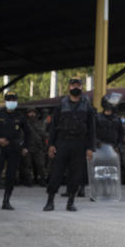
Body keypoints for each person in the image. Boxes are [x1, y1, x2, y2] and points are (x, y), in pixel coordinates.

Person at [45, 78, 95, 212]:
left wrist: (91, 148)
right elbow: (53, 127)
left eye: (78, 85)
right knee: (56, 173)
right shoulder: (61, 105)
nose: (76, 87)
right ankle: (50, 201)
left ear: (82, 88)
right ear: (69, 87)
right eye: (73, 85)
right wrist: (51, 145)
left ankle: (71, 202)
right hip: (62, 142)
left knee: (76, 174)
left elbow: (92, 129)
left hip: (79, 143)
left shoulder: (87, 107)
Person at [0, 92, 29, 210]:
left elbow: (28, 132)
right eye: (9, 99)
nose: (12, 101)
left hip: (14, 149)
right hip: (0, 149)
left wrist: (25, 146)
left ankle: (6, 201)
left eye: (13, 99)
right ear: (5, 101)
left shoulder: (20, 116)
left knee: (11, 176)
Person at [20, 107, 48, 187]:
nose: (32, 114)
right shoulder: (24, 123)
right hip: (27, 146)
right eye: (30, 112)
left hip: (38, 147)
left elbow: (43, 134)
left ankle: (42, 181)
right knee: (27, 165)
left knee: (40, 165)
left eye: (33, 112)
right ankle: (28, 181)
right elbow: (21, 135)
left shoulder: (39, 123)